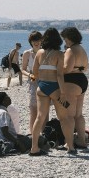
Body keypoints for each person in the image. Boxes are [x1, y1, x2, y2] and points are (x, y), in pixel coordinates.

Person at [30, 27, 75, 156]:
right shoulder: (60, 54)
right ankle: (70, 147)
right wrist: (63, 93)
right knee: (64, 118)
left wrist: (40, 82)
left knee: (40, 117)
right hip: (55, 87)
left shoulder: (39, 53)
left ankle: (34, 148)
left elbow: (35, 72)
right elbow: (60, 75)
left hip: (42, 87)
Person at [61, 27, 89, 149]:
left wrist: (56, 70)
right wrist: (77, 68)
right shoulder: (81, 49)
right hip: (82, 80)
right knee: (79, 114)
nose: (64, 42)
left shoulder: (70, 50)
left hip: (71, 82)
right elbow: (86, 67)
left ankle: (69, 143)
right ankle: (82, 141)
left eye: (65, 39)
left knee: (69, 115)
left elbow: (66, 68)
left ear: (69, 38)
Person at [21, 31, 43, 132]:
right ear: (31, 41)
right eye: (34, 40)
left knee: (43, 110)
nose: (36, 42)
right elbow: (23, 69)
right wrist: (30, 75)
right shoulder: (27, 53)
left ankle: (43, 133)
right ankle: (32, 133)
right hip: (33, 81)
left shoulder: (45, 52)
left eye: (38, 40)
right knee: (33, 108)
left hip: (45, 80)